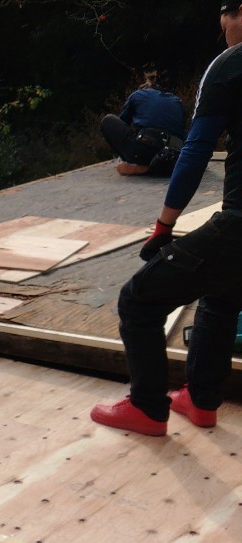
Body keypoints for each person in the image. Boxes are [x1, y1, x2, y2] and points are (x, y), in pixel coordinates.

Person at [92, 3, 242, 436]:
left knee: (138, 300)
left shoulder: (231, 66)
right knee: (223, 294)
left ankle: (146, 408)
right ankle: (200, 401)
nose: (225, 35)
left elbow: (195, 153)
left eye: (224, 24)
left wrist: (164, 226)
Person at [100, 79, 186, 177]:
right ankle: (160, 165)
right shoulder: (176, 100)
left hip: (147, 148)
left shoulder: (137, 94)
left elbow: (123, 123)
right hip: (174, 154)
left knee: (108, 120)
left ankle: (138, 165)